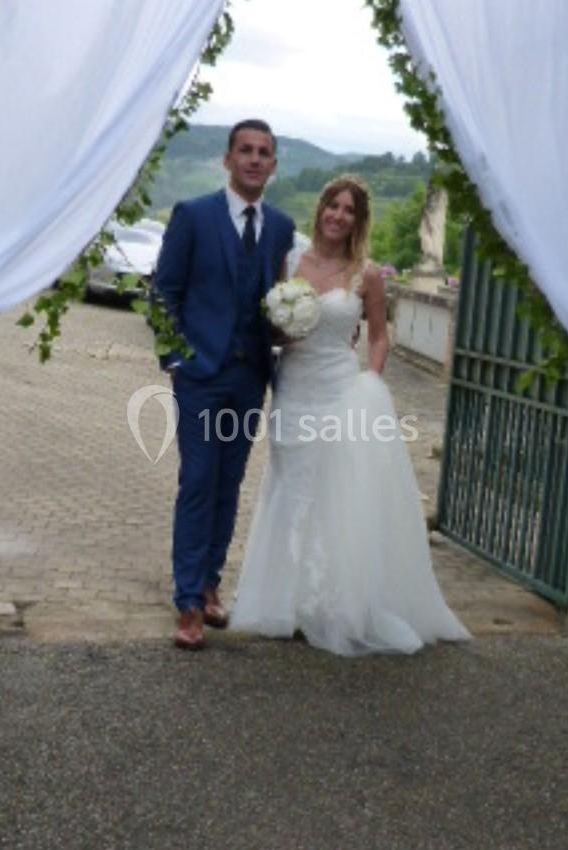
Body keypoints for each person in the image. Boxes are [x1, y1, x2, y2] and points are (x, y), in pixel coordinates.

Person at [231, 176, 470, 656]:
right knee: (292, 487)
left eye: (349, 210)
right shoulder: (290, 262)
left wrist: (374, 380)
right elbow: (272, 334)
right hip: (296, 389)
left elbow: (380, 336)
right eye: (332, 206)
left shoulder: (368, 273)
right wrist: (281, 336)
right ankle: (286, 601)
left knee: (336, 493)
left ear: (358, 221)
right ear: (320, 209)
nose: (338, 215)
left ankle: (332, 602)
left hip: (342, 392)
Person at [153, 119, 297, 650]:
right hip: (200, 377)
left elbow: (278, 296)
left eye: (264, 153)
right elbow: (163, 291)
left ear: (274, 165)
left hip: (250, 376)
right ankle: (189, 602)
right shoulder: (193, 216)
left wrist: (294, 328)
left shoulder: (280, 226)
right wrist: (174, 359)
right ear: (228, 159)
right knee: (198, 482)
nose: (255, 159)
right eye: (246, 151)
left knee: (229, 484)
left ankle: (211, 582)